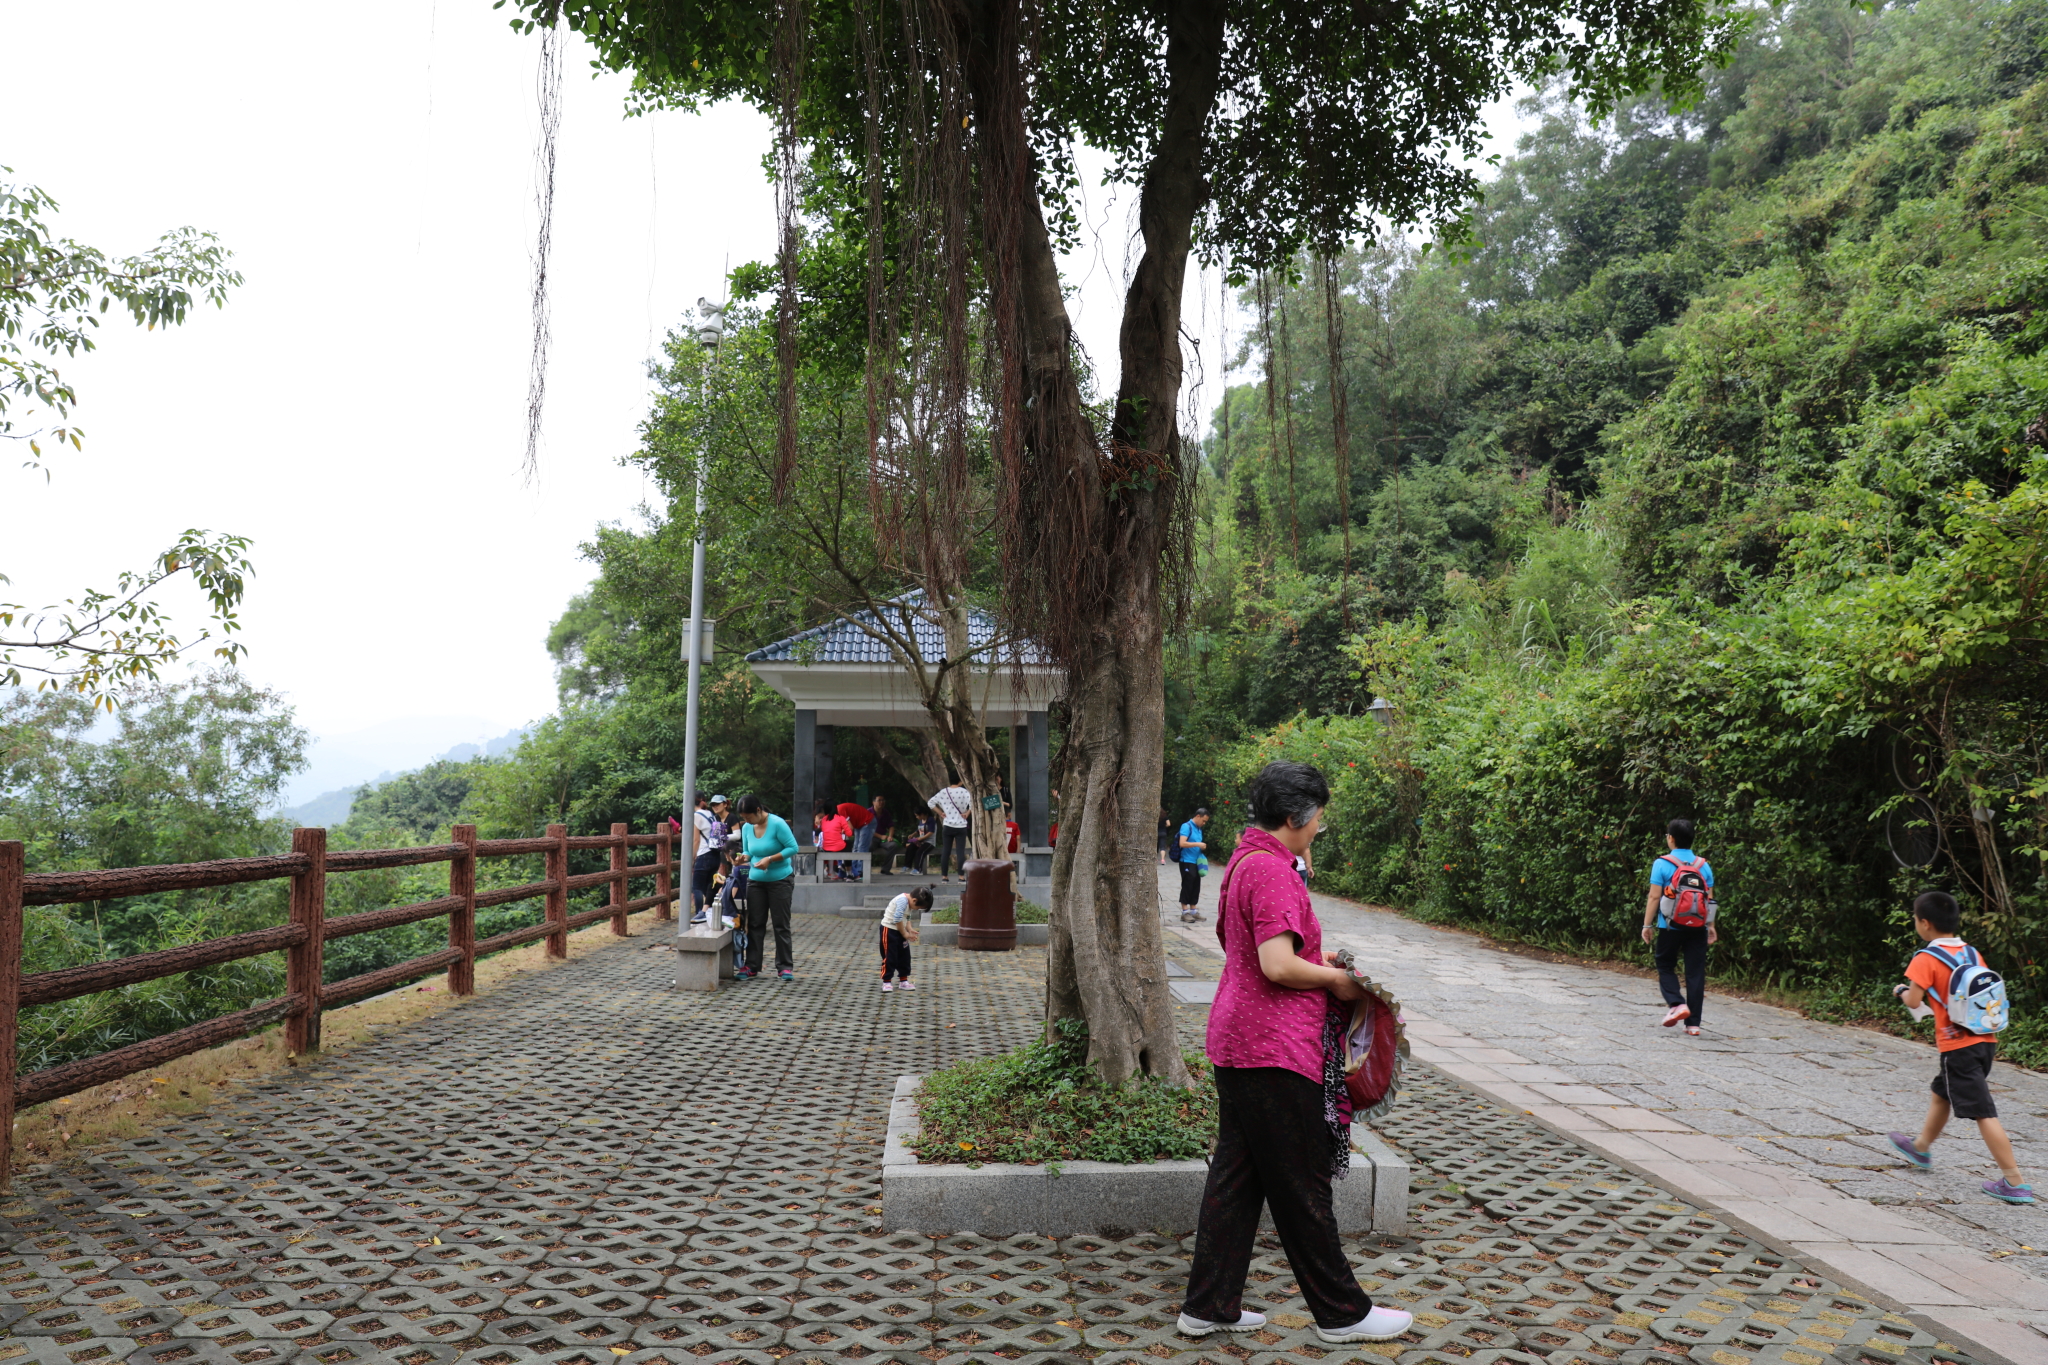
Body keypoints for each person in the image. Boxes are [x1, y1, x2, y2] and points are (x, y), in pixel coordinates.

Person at [1181, 761, 1412, 1345]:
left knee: (1237, 1178)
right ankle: (1342, 1313)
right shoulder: (1276, 872)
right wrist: (1336, 982)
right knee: (1303, 1183)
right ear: (1295, 817)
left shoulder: (1242, 861)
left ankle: (1208, 1306)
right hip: (1274, 1048)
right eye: (1317, 822)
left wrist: (1319, 958)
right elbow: (1277, 964)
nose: (1318, 831)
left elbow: (1265, 948)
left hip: (1238, 1039)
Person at [1887, 890, 2032, 1203]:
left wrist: (1900, 991)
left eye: (1915, 919)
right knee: (1942, 1092)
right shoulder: (1970, 952)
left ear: (1924, 924)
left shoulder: (1926, 958)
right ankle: (1921, 1147)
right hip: (1985, 1041)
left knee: (1983, 1112)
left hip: (1958, 1046)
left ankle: (2014, 1182)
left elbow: (1914, 1000)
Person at [1641, 817, 1716, 1035]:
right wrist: (1710, 925)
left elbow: (1654, 897)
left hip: (1670, 926)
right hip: (1698, 927)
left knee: (1665, 964)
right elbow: (1709, 900)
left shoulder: (1662, 863)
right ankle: (1693, 1024)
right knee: (1695, 972)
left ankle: (1677, 1004)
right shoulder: (1704, 865)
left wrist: (1647, 925)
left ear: (1671, 839)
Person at [736, 795, 800, 982]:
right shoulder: (747, 827)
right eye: (743, 818)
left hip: (780, 879)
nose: (746, 821)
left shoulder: (778, 824)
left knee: (781, 925)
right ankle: (752, 965)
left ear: (758, 811)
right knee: (755, 924)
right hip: (755, 881)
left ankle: (785, 967)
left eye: (748, 817)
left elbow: (793, 848)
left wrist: (770, 859)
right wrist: (742, 858)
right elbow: (748, 851)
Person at [878, 884, 932, 992]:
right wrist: (905, 934)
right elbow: (897, 919)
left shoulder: (910, 901)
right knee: (890, 956)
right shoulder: (902, 901)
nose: (917, 909)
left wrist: (909, 928)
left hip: (900, 929)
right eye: (918, 907)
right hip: (889, 930)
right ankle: (887, 981)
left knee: (904, 956)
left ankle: (903, 980)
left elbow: (907, 916)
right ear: (914, 900)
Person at [689, 794, 731, 926]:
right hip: (714, 854)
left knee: (696, 886)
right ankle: (710, 911)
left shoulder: (696, 816)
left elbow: (696, 840)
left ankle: (700, 913)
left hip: (704, 854)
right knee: (709, 884)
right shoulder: (710, 814)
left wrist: (692, 857)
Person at [930, 778, 973, 882]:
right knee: (960, 852)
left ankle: (944, 877)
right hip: (961, 826)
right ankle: (961, 877)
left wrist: (940, 813)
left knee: (946, 851)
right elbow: (973, 803)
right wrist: (967, 813)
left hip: (948, 825)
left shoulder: (944, 792)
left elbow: (930, 803)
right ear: (960, 781)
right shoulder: (964, 792)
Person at [1177, 807, 1211, 923]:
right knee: (1187, 884)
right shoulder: (1186, 826)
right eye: (1204, 820)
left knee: (1196, 885)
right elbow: (1182, 843)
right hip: (1186, 860)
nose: (1204, 823)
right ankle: (1184, 911)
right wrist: (1198, 844)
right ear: (1198, 816)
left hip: (1196, 861)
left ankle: (1193, 910)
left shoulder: (1198, 828)